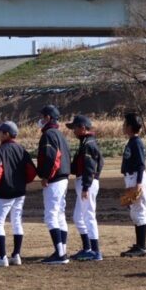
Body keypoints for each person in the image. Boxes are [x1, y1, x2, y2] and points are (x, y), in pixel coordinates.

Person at [0, 122, 37, 267]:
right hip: (20, 192)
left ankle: (2, 257)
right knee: (16, 222)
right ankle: (16, 255)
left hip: (5, 192)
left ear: (7, 134)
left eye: (0, 132)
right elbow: (32, 171)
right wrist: (22, 182)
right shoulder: (21, 149)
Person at [36, 105, 71, 265]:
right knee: (60, 215)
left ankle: (60, 254)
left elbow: (51, 158)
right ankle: (62, 250)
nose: (41, 119)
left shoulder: (49, 134)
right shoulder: (60, 134)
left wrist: (45, 176)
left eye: (43, 116)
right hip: (63, 178)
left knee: (51, 216)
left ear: (49, 118)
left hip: (54, 179)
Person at [67, 115, 104, 262]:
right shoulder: (87, 142)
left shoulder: (88, 144)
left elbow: (91, 167)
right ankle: (88, 248)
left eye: (75, 127)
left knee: (88, 216)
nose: (73, 130)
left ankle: (95, 251)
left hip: (86, 183)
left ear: (83, 128)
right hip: (86, 182)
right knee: (78, 217)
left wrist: (86, 186)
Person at [120, 112, 146, 257]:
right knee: (135, 211)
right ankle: (139, 245)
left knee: (138, 211)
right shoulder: (132, 141)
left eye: (125, 124)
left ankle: (142, 247)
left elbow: (140, 165)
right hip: (132, 178)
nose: (123, 126)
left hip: (137, 178)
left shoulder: (136, 142)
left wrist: (138, 184)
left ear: (131, 127)